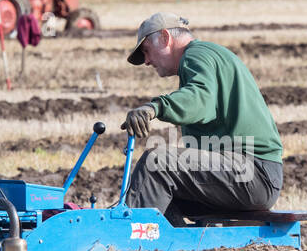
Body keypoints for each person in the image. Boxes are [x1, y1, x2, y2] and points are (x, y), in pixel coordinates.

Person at [120, 12, 283, 223]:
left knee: (157, 162)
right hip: (248, 172)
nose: (147, 61)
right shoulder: (205, 57)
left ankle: (135, 246)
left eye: (147, 51)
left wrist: (156, 107)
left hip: (254, 172)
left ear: (165, 37)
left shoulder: (197, 55)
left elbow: (200, 100)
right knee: (156, 188)